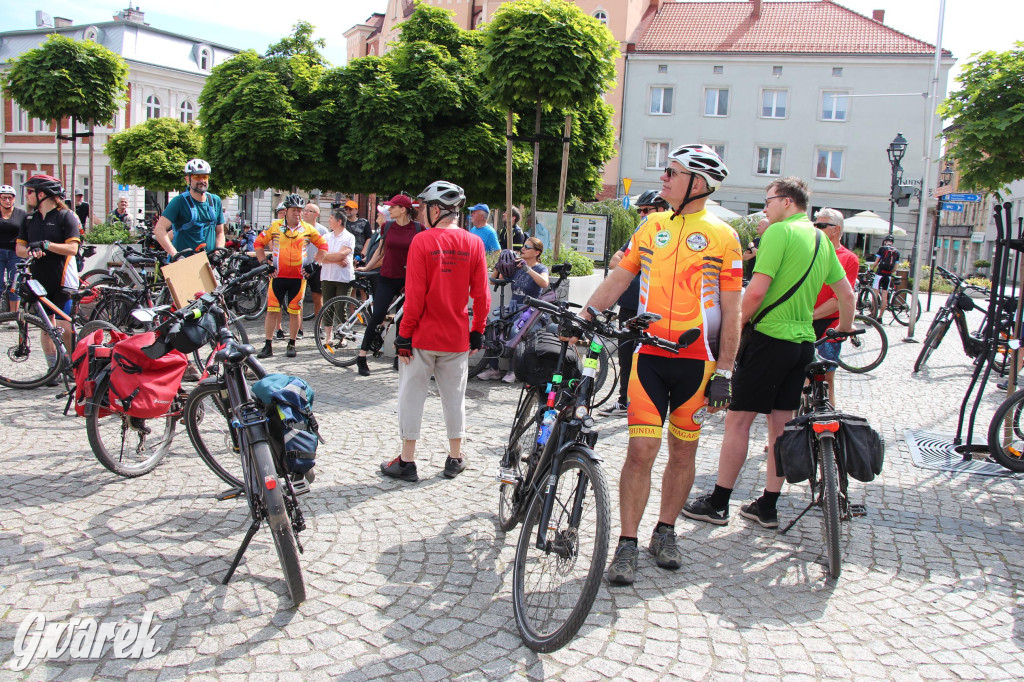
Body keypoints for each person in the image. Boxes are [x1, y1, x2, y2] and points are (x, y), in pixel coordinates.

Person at [575, 144, 741, 585]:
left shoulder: (724, 237)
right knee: (641, 450)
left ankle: (664, 532)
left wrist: (725, 370)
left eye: (672, 171)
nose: (663, 177)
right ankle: (626, 543)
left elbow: (732, 307)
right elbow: (620, 277)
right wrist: (587, 315)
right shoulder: (650, 225)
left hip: (698, 362)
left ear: (698, 183)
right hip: (648, 355)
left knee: (683, 450)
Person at [682, 176, 855, 531]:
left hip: (768, 340)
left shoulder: (779, 233)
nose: (766, 207)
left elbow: (757, 293)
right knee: (781, 424)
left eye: (769, 200)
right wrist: (843, 329)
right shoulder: (822, 240)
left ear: (788, 202)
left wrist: (732, 329)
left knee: (739, 421)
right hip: (802, 344)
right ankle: (768, 505)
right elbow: (847, 296)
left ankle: (717, 503)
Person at [380, 180, 490, 482]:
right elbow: (482, 294)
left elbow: (415, 295)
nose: (420, 214)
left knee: (411, 395)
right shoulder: (474, 243)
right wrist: (477, 329)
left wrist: (404, 333)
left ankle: (407, 461)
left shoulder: (422, 241)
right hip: (456, 337)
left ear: (437, 209)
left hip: (422, 337)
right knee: (455, 398)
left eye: (423, 208)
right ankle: (455, 458)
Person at [598, 190, 670, 417]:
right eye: (639, 210)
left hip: (657, 306)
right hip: (630, 304)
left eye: (646, 210)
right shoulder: (641, 232)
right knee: (627, 357)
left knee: (655, 357)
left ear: (661, 209)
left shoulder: (670, 233)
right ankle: (623, 401)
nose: (641, 214)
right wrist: (638, 264)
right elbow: (614, 261)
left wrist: (633, 264)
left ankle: (653, 402)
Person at [15, 175, 80, 375]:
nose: (26, 195)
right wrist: (31, 251)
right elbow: (19, 248)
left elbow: (72, 248)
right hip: (39, 280)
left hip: (63, 280)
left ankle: (74, 366)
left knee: (64, 326)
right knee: (46, 327)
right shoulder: (29, 219)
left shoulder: (65, 216)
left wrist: (46, 245)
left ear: (41, 194)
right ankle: (53, 368)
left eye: (29, 191)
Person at [354, 194, 424, 376]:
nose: (389, 210)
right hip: (387, 277)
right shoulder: (388, 226)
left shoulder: (418, 229)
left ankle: (398, 357)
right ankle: (362, 357)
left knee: (404, 319)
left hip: (408, 280)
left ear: (403, 209)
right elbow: (380, 251)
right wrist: (367, 267)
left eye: (392, 207)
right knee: (377, 316)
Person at [254, 194, 327, 359]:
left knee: (295, 311)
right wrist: (264, 263)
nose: (298, 214)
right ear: (286, 211)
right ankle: (267, 345)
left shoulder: (307, 229)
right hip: (277, 276)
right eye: (294, 210)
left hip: (298, 278)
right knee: (272, 311)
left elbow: (323, 246)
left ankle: (292, 343)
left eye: (300, 211)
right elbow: (258, 243)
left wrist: (315, 264)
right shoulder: (275, 227)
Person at [477, 237, 550, 383]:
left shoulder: (540, 268)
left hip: (530, 311)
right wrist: (499, 266)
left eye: (527, 247)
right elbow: (493, 280)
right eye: (523, 246)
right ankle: (494, 369)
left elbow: (544, 283)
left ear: (537, 252)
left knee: (516, 332)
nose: (523, 249)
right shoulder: (516, 268)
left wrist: (527, 269)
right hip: (513, 308)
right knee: (492, 328)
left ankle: (513, 371)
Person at [811, 208, 859, 407]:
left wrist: (809, 316)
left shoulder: (848, 258)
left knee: (825, 376)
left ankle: (828, 415)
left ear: (835, 230)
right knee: (801, 376)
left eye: (821, 225)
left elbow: (838, 299)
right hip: (805, 318)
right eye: (815, 224)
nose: (816, 228)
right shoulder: (809, 252)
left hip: (829, 322)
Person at [153, 158, 225, 257]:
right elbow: (159, 229)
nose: (202, 180)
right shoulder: (179, 202)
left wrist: (218, 252)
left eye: (205, 176)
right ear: (187, 179)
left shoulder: (215, 201)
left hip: (209, 262)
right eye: (197, 177)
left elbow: (220, 232)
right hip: (184, 263)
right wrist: (175, 255)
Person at [319, 208, 356, 351]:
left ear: (339, 221)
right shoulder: (326, 237)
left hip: (343, 277)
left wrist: (329, 257)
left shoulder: (349, 237)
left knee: (341, 307)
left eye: (331, 218)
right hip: (327, 276)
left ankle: (342, 336)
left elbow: (343, 255)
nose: (329, 220)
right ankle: (328, 336)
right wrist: (335, 259)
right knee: (328, 306)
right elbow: (320, 255)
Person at [300, 201, 329, 331]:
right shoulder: (298, 227)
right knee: (298, 300)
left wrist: (317, 263)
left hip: (316, 267)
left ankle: (318, 328)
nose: (304, 213)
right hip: (301, 266)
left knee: (318, 298)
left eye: (308, 211)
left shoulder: (322, 230)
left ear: (316, 214)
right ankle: (298, 329)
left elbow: (325, 249)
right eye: (304, 210)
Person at [0, 185, 27, 312]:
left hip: (16, 252)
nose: (7, 200)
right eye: (4, 198)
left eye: (10, 198)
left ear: (14, 199)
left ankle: (13, 315)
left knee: (14, 283)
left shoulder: (21, 214)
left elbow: (27, 232)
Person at [872, 234, 901, 316]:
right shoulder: (897, 252)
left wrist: (872, 269)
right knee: (885, 297)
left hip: (880, 274)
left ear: (885, 241)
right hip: (888, 276)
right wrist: (890, 272)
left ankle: (873, 314)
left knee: (875, 295)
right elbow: (895, 268)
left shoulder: (882, 248)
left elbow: (876, 261)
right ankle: (880, 317)